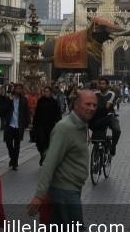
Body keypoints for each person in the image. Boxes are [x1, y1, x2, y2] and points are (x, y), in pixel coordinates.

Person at [27, 89, 98, 225]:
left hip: (71, 189)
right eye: (88, 104)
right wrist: (39, 195)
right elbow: (50, 162)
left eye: (94, 105)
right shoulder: (65, 128)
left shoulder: (81, 125)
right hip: (65, 190)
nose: (92, 108)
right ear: (76, 105)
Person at [0, 83, 30, 170]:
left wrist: (29, 123)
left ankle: (14, 163)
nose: (18, 90)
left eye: (20, 89)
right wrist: (9, 101)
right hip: (10, 124)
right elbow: (3, 109)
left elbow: (26, 112)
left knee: (17, 145)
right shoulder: (9, 98)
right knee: (8, 143)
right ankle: (12, 157)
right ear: (14, 89)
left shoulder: (23, 100)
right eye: (17, 88)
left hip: (19, 125)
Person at [88, 78, 120, 156]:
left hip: (108, 117)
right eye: (100, 84)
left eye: (103, 84)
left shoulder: (111, 94)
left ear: (107, 85)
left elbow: (107, 107)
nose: (101, 85)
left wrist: (96, 107)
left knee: (117, 130)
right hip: (97, 118)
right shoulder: (95, 94)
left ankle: (113, 146)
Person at [33, 86, 62, 166]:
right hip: (40, 125)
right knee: (40, 142)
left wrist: (58, 121)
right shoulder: (40, 101)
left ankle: (46, 157)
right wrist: (34, 123)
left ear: (50, 92)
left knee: (48, 142)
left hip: (50, 126)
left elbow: (58, 113)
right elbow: (37, 113)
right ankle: (42, 155)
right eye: (45, 91)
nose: (46, 93)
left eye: (47, 91)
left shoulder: (54, 102)